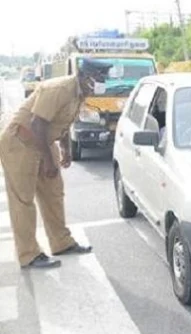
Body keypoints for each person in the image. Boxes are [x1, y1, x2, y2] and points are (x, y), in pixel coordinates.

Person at [0, 58, 111, 269]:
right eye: (99, 78)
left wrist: (66, 149)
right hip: (20, 141)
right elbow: (37, 123)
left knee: (53, 193)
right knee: (23, 199)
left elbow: (62, 122)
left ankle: (61, 242)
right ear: (85, 76)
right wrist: (49, 161)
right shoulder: (59, 88)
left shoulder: (80, 93)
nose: (101, 82)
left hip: (41, 140)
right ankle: (29, 254)